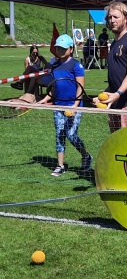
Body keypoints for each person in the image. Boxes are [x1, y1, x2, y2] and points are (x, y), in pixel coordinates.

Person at [37, 34, 92, 176]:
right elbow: (54, 87)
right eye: (58, 48)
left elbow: (80, 88)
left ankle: (86, 156)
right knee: (59, 135)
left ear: (71, 49)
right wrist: (45, 99)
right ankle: (60, 165)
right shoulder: (54, 65)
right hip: (58, 106)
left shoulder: (76, 65)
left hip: (74, 106)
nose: (60, 51)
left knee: (71, 134)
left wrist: (74, 106)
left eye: (63, 48)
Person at [93, 0, 127, 133]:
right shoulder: (115, 43)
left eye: (116, 17)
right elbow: (116, 76)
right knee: (117, 145)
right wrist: (104, 94)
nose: (112, 20)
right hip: (116, 103)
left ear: (126, 18)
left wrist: (117, 94)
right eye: (110, 17)